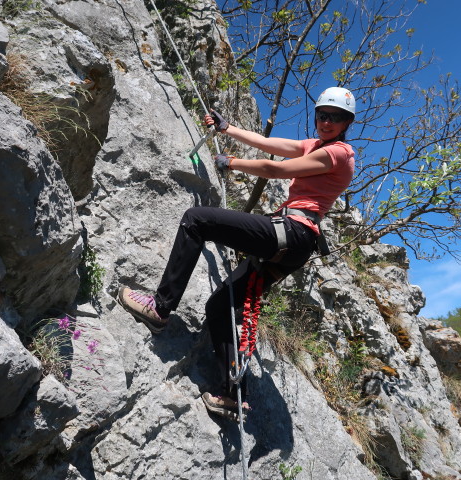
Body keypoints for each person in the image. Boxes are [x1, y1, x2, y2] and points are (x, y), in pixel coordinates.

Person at [118, 86, 356, 420]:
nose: (327, 121)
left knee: (196, 220)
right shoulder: (315, 146)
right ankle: (230, 395)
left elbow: (277, 169)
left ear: (347, 123)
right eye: (322, 114)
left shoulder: (340, 153)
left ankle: (160, 308)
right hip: (291, 241)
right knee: (220, 306)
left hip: (294, 232)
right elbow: (272, 145)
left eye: (337, 117)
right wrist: (227, 128)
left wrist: (232, 162)